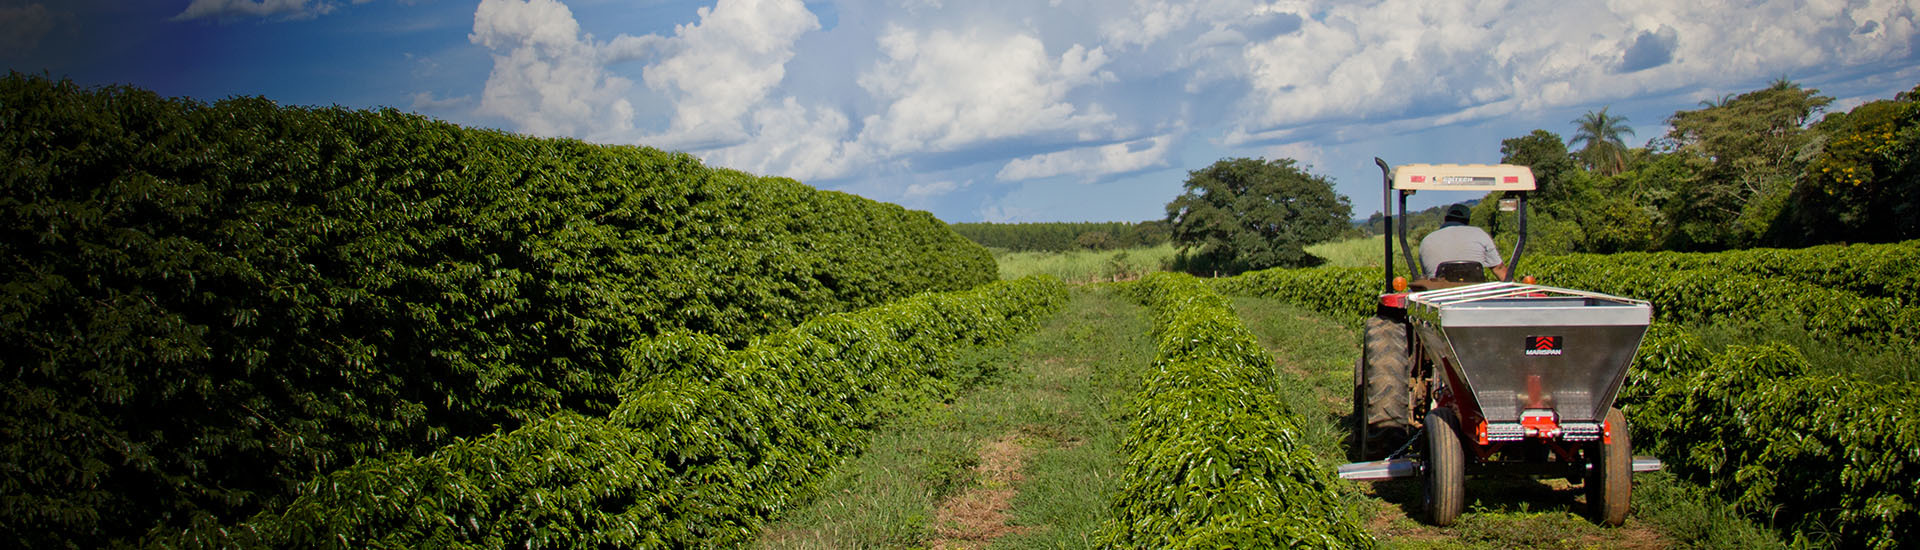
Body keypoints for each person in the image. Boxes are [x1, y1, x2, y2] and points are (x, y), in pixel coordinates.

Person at [1419, 203, 1507, 280]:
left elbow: (1426, 276)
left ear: (1445, 219)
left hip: (1439, 295)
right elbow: (1499, 268)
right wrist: (1516, 291)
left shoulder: (1427, 240)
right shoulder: (1479, 234)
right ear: (1468, 221)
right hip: (1474, 293)